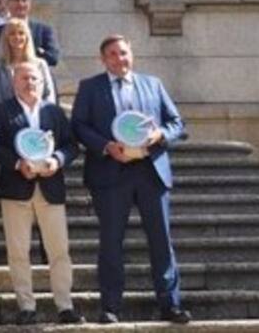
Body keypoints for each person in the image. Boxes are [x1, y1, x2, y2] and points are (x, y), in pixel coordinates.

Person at [71, 35, 190, 325]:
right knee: (111, 242)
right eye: (112, 54)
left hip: (151, 172)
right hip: (111, 173)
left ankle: (170, 304)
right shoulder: (90, 87)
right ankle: (111, 306)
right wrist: (106, 146)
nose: (119, 58)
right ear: (103, 59)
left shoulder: (153, 84)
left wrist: (160, 134)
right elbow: (78, 126)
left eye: (123, 53)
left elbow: (177, 123)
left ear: (131, 55)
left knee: (161, 241)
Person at [0, 62, 84, 326]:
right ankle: (26, 306)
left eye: (34, 78)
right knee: (18, 252)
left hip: (50, 187)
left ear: (43, 83)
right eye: (24, 78)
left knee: (59, 250)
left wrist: (57, 160)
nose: (29, 83)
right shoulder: (2, 111)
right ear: (14, 82)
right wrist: (16, 163)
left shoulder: (54, 112)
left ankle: (65, 305)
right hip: (15, 189)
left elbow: (71, 146)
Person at [0, 17, 56, 107]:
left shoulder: (40, 64)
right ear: (6, 38)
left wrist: (44, 112)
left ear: (27, 37)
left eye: (21, 33)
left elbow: (49, 94)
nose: (17, 37)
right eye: (12, 34)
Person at [7, 0, 60, 68]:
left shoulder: (43, 30)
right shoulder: (0, 30)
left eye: (24, 0)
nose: (21, 4)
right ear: (7, 4)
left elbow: (53, 58)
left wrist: (28, 56)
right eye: (16, 0)